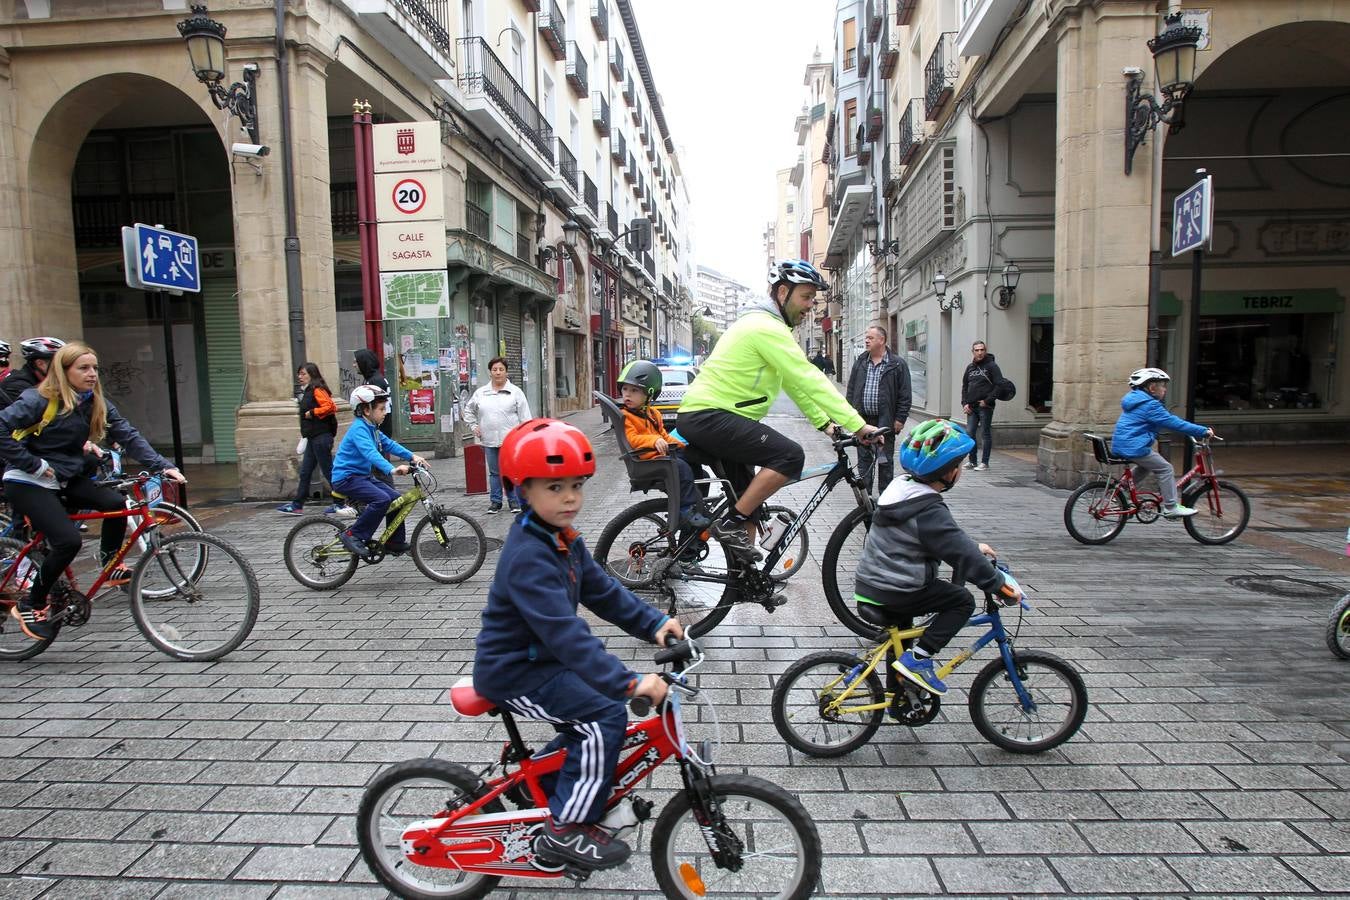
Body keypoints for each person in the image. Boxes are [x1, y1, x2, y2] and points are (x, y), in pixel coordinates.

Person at [472, 418, 683, 872]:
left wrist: (656, 623)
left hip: (542, 665)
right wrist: (627, 683)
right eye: (554, 488)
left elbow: (603, 592)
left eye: (576, 485)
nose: (569, 497)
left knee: (591, 708)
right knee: (601, 716)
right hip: (514, 673)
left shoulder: (562, 539)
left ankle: (536, 787)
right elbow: (567, 637)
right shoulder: (529, 554)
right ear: (524, 490)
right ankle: (566, 828)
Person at [677, 259, 879, 564]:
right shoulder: (765, 327)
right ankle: (731, 525)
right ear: (783, 292)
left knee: (749, 499)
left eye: (813, 298)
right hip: (711, 417)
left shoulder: (766, 325)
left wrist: (826, 424)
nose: (810, 305)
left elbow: (793, 382)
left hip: (713, 417)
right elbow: (807, 376)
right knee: (790, 456)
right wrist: (859, 425)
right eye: (806, 297)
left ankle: (744, 577)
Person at [0, 341, 186, 640]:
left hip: (65, 476)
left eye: (95, 368)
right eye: (83, 368)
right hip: (27, 480)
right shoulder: (38, 399)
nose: (92, 374)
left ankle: (111, 563)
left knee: (116, 503)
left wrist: (162, 466)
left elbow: (127, 434)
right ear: (63, 371)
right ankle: (32, 602)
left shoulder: (94, 401)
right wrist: (32, 463)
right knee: (68, 541)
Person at [853, 419, 1023, 695]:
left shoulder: (903, 489)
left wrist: (972, 547)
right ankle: (920, 660)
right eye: (959, 466)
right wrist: (1000, 587)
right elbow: (960, 553)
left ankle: (900, 695)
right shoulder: (927, 510)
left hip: (874, 583)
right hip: (897, 588)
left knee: (903, 631)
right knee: (962, 601)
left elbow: (945, 540)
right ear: (949, 472)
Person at [331, 385, 426, 559]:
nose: (385, 413)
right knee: (381, 500)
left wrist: (412, 456)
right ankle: (353, 535)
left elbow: (389, 444)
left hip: (362, 477)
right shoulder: (359, 429)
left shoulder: (372, 428)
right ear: (366, 409)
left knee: (398, 499)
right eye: (381, 409)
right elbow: (370, 453)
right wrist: (392, 469)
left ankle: (393, 542)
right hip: (347, 478)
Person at [616, 360, 710, 532]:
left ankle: (698, 504)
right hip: (648, 459)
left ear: (649, 395)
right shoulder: (626, 416)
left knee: (698, 468)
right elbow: (632, 439)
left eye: (634, 390)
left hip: (660, 455)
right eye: (625, 389)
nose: (627, 394)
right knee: (681, 467)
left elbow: (664, 436)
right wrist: (653, 441)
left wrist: (681, 446)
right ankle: (686, 510)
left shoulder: (654, 414)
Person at [1111, 368, 1213, 518]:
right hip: (1134, 446)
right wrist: (1203, 431)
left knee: (1146, 466)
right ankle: (1171, 507)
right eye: (1162, 385)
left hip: (1123, 444)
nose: (1165, 389)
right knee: (1166, 468)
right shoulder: (1150, 405)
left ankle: (1119, 492)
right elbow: (1174, 423)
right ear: (1152, 388)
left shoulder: (1135, 400)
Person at [277, 363, 351, 517]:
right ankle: (297, 504)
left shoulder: (317, 389)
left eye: (303, 374)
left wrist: (312, 412)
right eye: (299, 374)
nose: (300, 377)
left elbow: (330, 406)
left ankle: (340, 502)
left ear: (312, 374)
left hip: (321, 437)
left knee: (329, 471)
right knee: (305, 472)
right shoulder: (310, 390)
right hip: (313, 437)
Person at [846, 324, 912, 494]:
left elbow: (905, 394)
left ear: (881, 340)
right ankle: (866, 500)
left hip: (885, 422)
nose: (866, 340)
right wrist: (850, 415)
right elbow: (851, 390)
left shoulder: (897, 364)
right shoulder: (860, 362)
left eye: (871, 338)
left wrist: (900, 419)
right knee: (864, 461)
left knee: (884, 461)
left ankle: (885, 499)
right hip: (863, 422)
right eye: (866, 337)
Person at [463, 357, 531, 514]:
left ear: (506, 372)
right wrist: (474, 426)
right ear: (490, 373)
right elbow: (468, 410)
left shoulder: (515, 392)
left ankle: (514, 501)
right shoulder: (481, 393)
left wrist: (524, 438)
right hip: (489, 440)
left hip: (511, 441)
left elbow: (525, 417)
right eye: (494, 370)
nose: (498, 372)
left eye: (501, 369)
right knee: (494, 472)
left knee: (510, 472)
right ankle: (496, 502)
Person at [960, 341, 1002, 471]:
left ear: (985, 350)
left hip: (985, 406)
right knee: (970, 433)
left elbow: (999, 384)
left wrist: (988, 400)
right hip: (971, 407)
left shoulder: (992, 366)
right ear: (972, 352)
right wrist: (965, 403)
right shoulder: (970, 367)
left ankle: (984, 462)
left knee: (985, 433)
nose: (979, 352)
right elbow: (965, 387)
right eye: (977, 350)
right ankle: (972, 461)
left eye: (982, 350)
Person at [0, 337, 65, 409]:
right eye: (59, 363)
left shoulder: (36, 380)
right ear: (40, 363)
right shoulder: (17, 385)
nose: (63, 368)